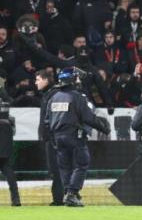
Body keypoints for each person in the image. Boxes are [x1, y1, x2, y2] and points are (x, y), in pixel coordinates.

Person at [46, 67, 111, 207]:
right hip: (74, 135)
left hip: (58, 136)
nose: (78, 80)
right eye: (76, 78)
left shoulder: (53, 97)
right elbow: (88, 118)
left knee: (65, 167)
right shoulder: (77, 96)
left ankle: (68, 193)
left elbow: (47, 121)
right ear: (72, 80)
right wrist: (104, 128)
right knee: (82, 163)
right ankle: (72, 193)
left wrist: (52, 138)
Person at [36, 69, 63, 205]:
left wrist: (47, 135)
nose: (36, 82)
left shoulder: (52, 95)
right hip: (52, 137)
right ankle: (59, 198)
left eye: (38, 79)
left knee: (56, 168)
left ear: (46, 80)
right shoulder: (49, 94)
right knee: (55, 169)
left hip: (53, 138)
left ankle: (59, 199)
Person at [0, 81, 20, 206]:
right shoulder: (5, 97)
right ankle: (16, 199)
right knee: (7, 169)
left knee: (7, 169)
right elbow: (10, 101)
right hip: (5, 135)